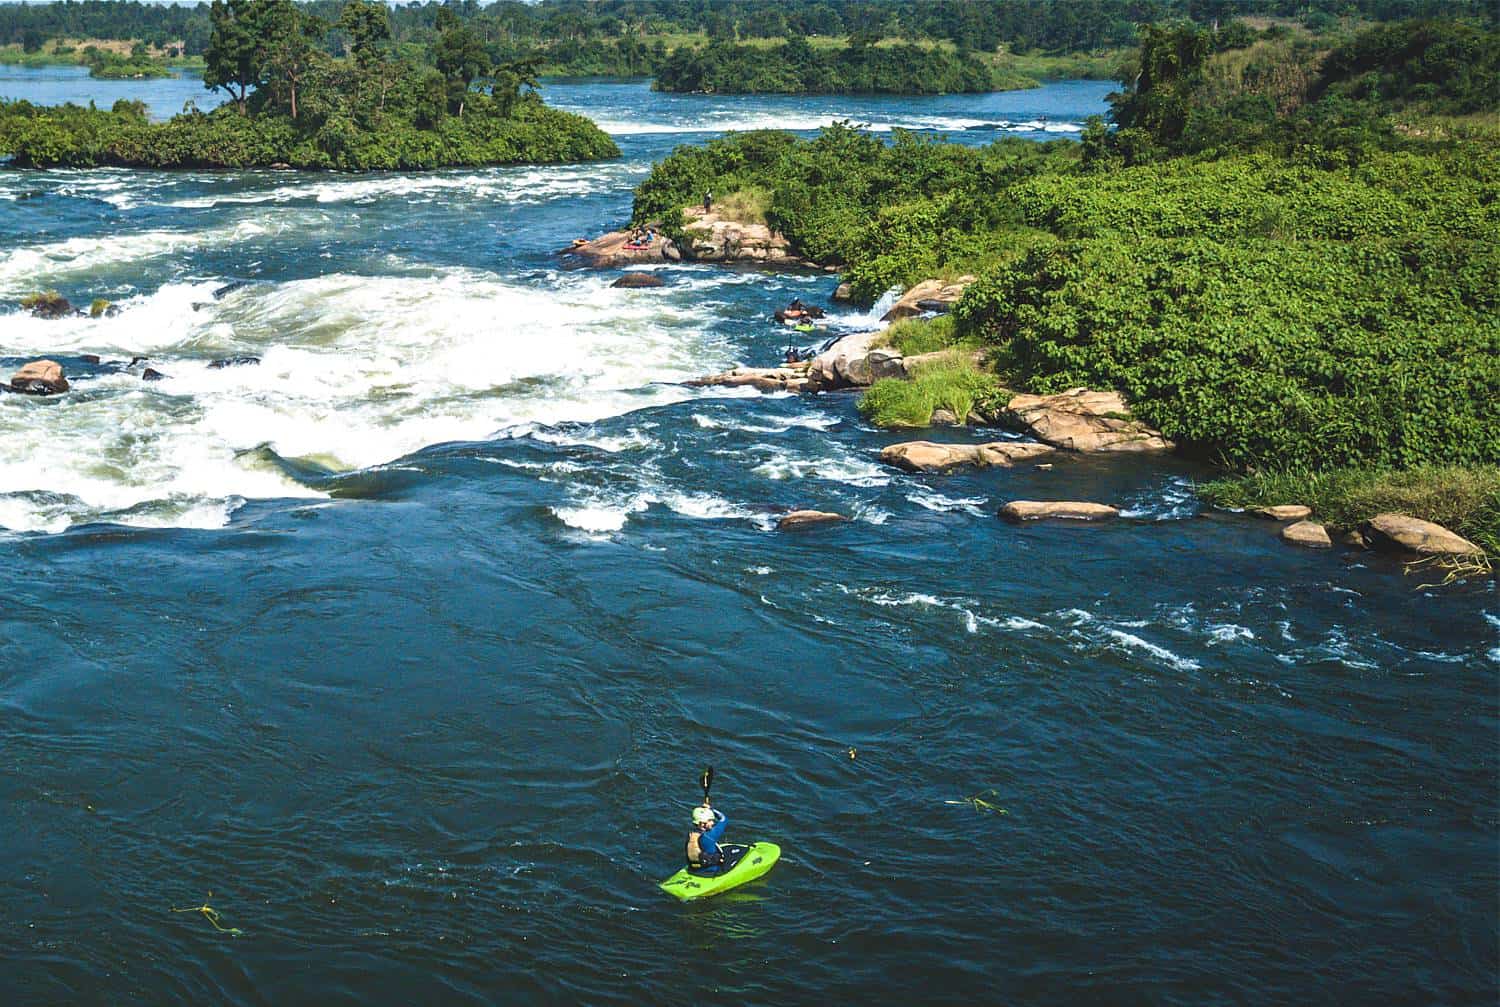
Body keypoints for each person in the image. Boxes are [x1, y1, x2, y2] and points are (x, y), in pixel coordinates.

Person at [686, 800, 729, 873]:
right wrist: (712, 809)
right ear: (702, 823)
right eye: (710, 820)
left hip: (694, 870)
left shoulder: (691, 834)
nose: (713, 822)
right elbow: (724, 819)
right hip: (712, 870)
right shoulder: (711, 834)